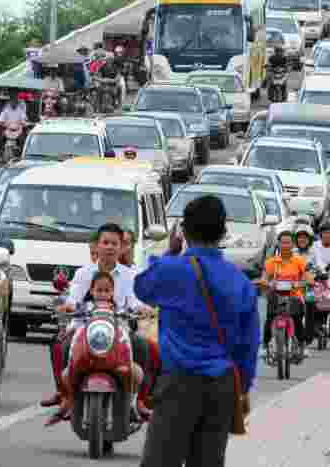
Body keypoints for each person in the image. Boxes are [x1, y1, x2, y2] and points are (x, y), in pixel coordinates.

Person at [135, 196, 261, 467]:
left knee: (160, 461)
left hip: (179, 381)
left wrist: (170, 252)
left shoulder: (171, 269)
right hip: (222, 385)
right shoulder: (240, 281)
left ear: (183, 231)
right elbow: (249, 345)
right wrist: (243, 388)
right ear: (223, 232)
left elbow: (142, 289)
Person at [42, 224, 154, 424]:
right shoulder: (84, 273)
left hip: (119, 329)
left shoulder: (129, 275)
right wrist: (67, 306)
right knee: (62, 345)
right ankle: (67, 396)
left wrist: (141, 308)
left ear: (122, 248)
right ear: (97, 246)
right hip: (84, 328)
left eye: (115, 243)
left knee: (143, 347)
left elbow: (134, 300)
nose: (110, 247)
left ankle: (139, 401)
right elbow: (73, 298)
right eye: (105, 242)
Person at [261, 231, 310, 360]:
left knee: (298, 319)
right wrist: (267, 283)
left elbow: (307, 278)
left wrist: (300, 283)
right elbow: (264, 278)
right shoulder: (271, 262)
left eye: (288, 242)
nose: (285, 245)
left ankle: (302, 345)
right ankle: (265, 346)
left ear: (293, 244)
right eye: (283, 242)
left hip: (294, 296)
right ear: (278, 243)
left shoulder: (299, 261)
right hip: (275, 295)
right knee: (270, 317)